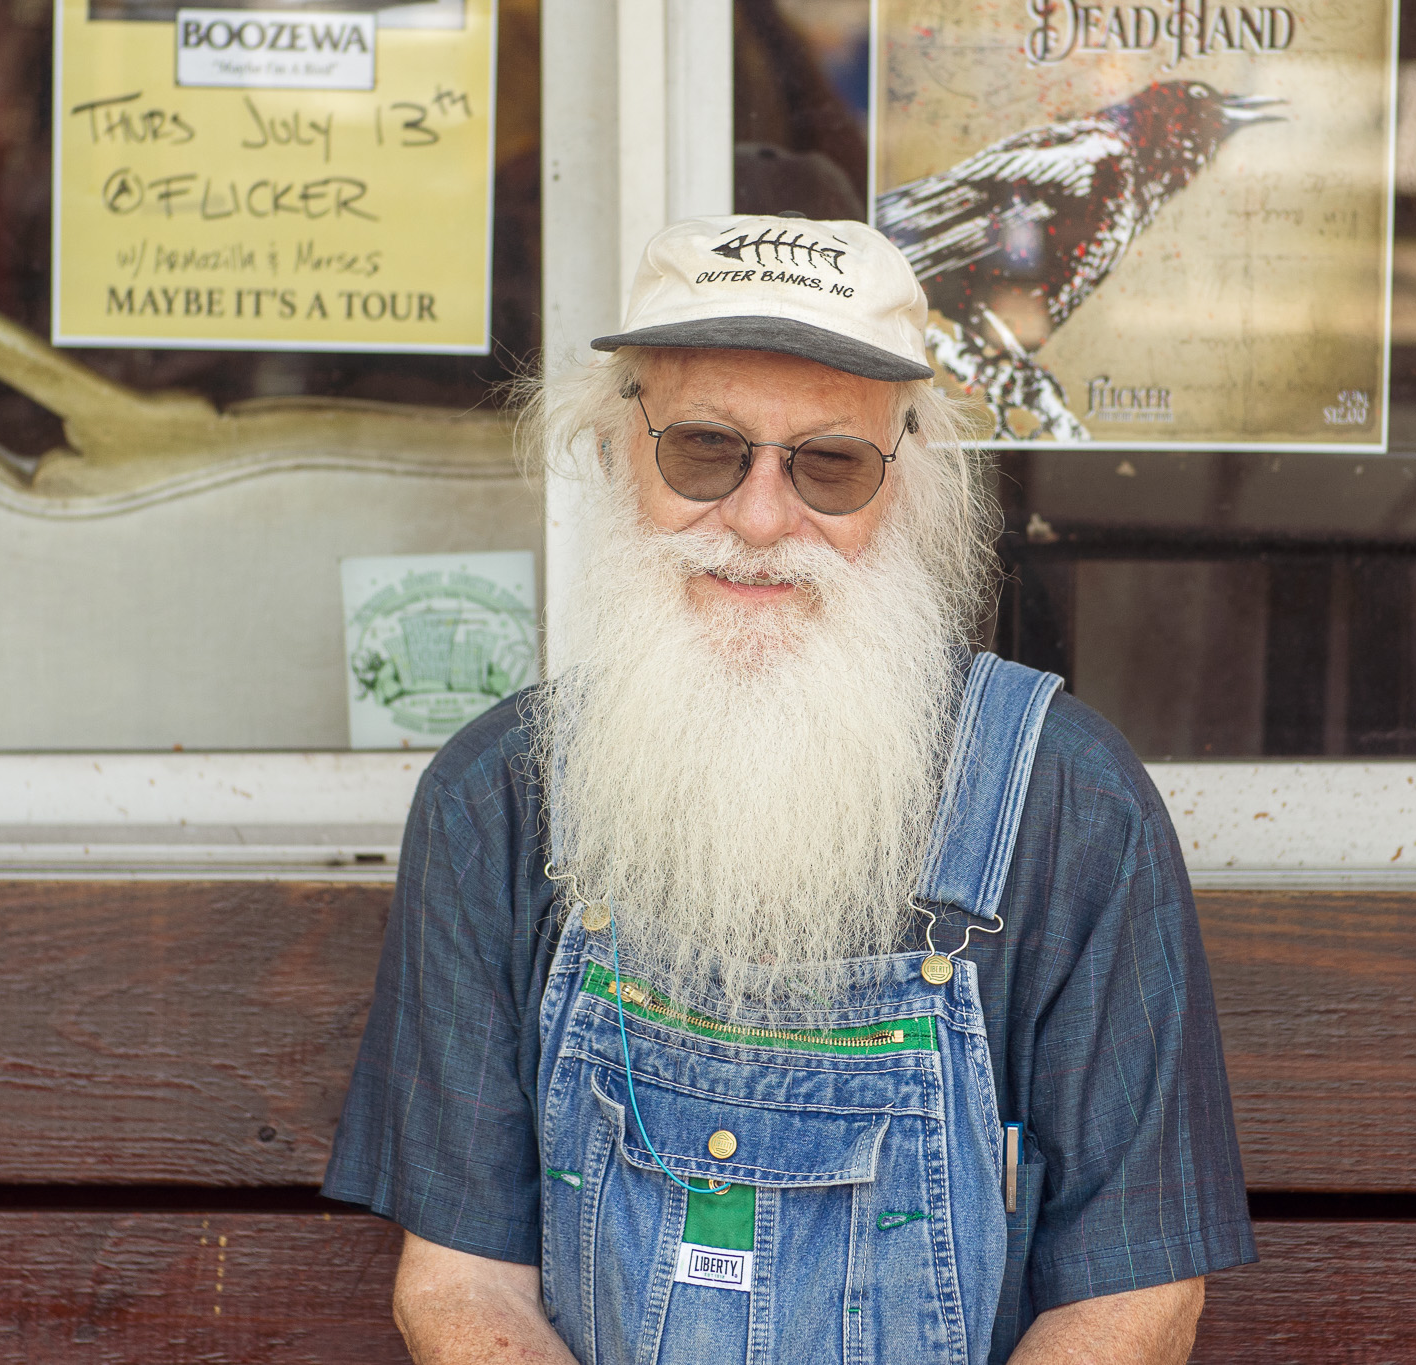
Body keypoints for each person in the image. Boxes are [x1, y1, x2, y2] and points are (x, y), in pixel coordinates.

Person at [322, 213, 1256, 1364]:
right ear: (623, 447)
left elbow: (1135, 1302)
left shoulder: (1070, 807)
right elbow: (462, 1289)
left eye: (828, 464)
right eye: (704, 451)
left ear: (902, 479)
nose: (760, 521)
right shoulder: (494, 801)